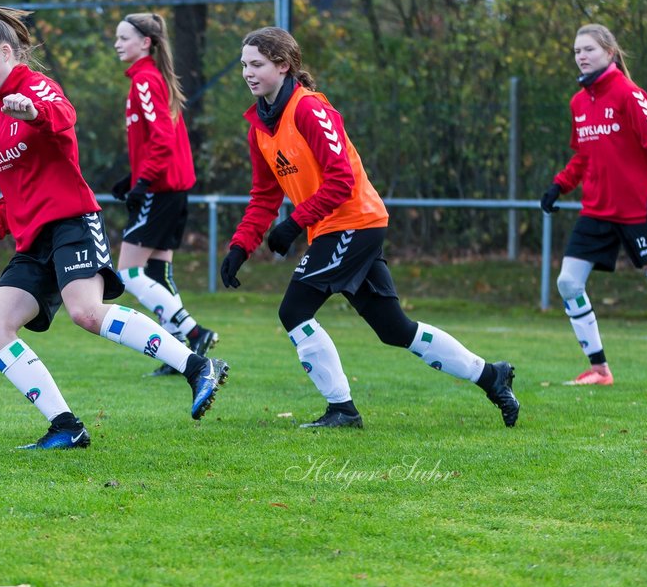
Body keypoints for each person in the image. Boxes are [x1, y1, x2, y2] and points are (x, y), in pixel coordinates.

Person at [218, 27, 518, 429]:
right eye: (243, 65)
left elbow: (341, 181)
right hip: (337, 228)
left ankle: (342, 409)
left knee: (294, 310)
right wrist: (241, 247)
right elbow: (263, 197)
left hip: (354, 222)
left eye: (256, 64)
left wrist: (294, 223)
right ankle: (491, 375)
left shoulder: (309, 109)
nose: (247, 73)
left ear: (283, 65)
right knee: (396, 329)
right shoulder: (259, 127)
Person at [0, 5, 229, 449]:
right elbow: (18, 178)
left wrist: (33, 113)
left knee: (86, 312)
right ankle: (66, 426)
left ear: (6, 53)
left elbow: (64, 117)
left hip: (70, 222)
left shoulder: (36, 89)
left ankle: (196, 366)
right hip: (33, 240)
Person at [540, 23, 647, 385]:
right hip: (596, 211)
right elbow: (584, 158)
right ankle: (600, 370)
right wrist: (560, 186)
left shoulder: (629, 94)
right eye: (576, 51)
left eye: (588, 49)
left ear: (609, 51)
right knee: (568, 283)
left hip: (637, 209)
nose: (581, 56)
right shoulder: (578, 102)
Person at [110, 13, 218, 376]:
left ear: (146, 43)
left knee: (128, 273)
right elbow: (156, 140)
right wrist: (132, 177)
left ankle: (194, 332)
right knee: (158, 272)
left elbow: (162, 139)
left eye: (124, 37)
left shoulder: (144, 79)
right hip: (170, 187)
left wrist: (143, 184)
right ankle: (179, 353)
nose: (117, 44)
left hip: (161, 189)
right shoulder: (149, 79)